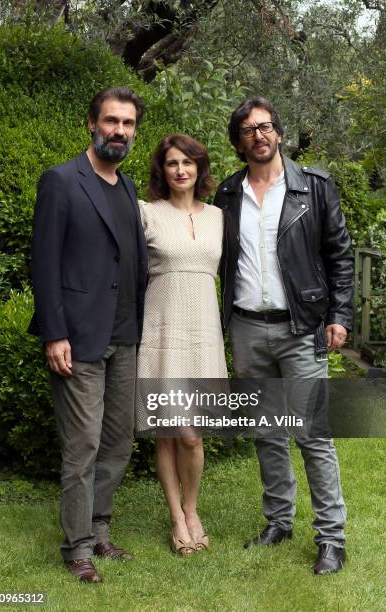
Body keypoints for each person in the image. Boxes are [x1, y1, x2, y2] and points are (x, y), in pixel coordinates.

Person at [214, 96, 354, 575]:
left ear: (279, 133)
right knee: (267, 433)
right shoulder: (228, 195)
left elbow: (339, 256)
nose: (260, 135)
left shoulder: (313, 187)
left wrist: (340, 315)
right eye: (250, 129)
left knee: (313, 435)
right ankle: (279, 521)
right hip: (248, 328)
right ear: (239, 141)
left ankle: (331, 539)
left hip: (301, 328)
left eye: (267, 126)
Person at [29, 87, 148, 583]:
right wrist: (55, 333)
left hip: (125, 335)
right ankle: (76, 546)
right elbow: (44, 262)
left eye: (128, 124)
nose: (119, 131)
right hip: (77, 338)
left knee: (119, 441)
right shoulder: (61, 180)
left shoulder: (126, 187)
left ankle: (99, 530)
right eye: (111, 121)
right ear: (91, 124)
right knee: (82, 446)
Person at [136, 134, 227, 556]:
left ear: (200, 168)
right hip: (162, 332)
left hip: (204, 334)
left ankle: (193, 510)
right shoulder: (145, 214)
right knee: (168, 433)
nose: (180, 170)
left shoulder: (218, 217)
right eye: (172, 163)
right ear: (162, 170)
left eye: (188, 162)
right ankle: (177, 517)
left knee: (192, 435)